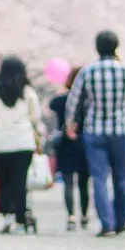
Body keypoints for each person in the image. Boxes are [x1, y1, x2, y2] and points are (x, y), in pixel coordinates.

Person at [64, 30, 125, 237]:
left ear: (97, 48)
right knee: (121, 177)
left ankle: (106, 223)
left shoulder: (87, 72)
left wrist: (70, 123)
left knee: (99, 177)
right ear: (116, 47)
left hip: (95, 130)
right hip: (122, 130)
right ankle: (121, 220)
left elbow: (73, 100)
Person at [0, 56, 41, 234]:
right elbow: (35, 117)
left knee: (4, 182)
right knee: (20, 181)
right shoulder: (28, 93)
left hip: (1, 143)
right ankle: (20, 219)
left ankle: (6, 216)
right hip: (23, 142)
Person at [43, 65, 90, 231]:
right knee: (84, 183)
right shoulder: (88, 100)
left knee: (68, 182)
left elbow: (51, 105)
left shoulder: (62, 99)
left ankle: (71, 216)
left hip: (65, 144)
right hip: (84, 142)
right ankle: (84, 216)